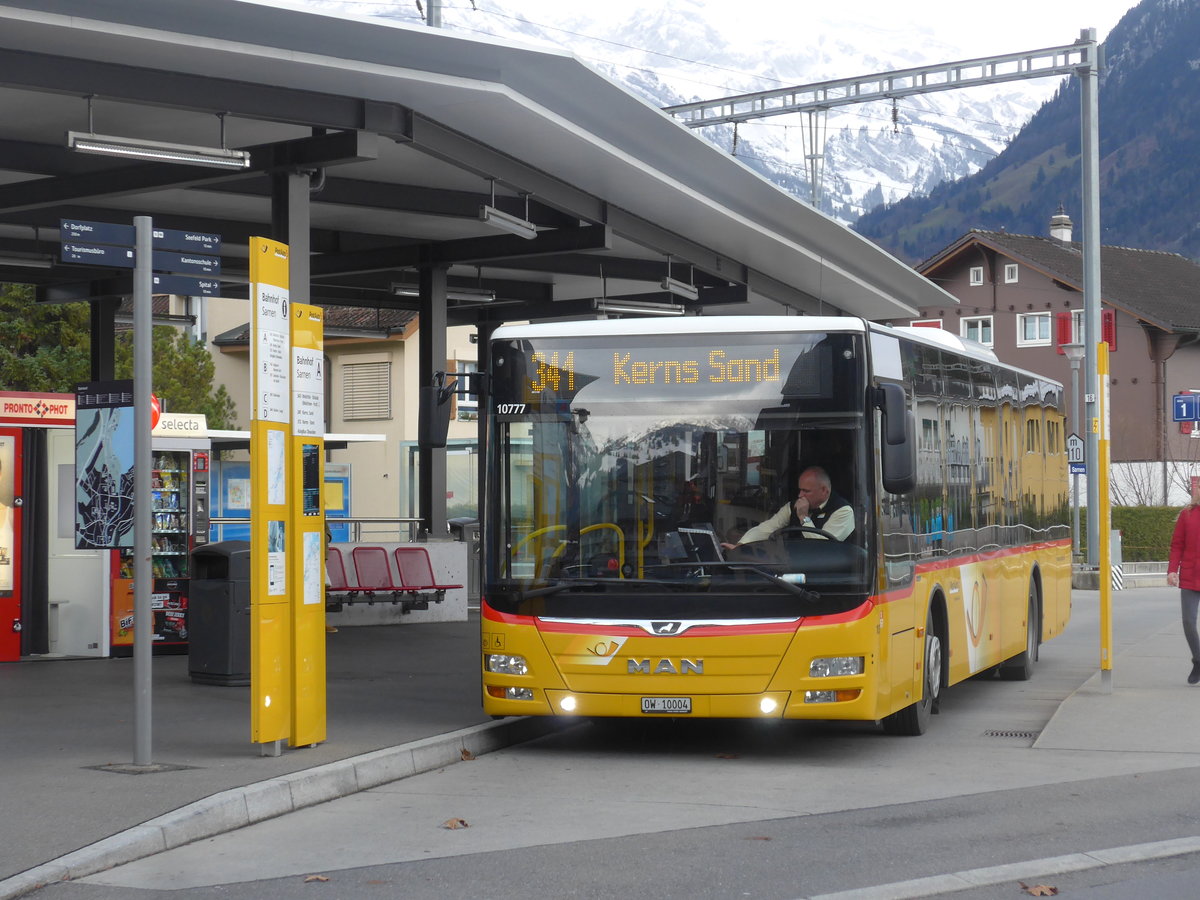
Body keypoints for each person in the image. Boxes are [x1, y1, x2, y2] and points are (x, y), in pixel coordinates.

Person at [722, 466, 854, 549]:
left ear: (824, 490)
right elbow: (768, 528)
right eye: (800, 490)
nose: (800, 495)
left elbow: (823, 547)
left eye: (806, 491)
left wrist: (804, 518)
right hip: (793, 565)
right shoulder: (792, 506)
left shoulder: (843, 511)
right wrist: (740, 546)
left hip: (826, 573)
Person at [1166, 484, 1200, 684]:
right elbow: (1177, 544)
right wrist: (1172, 570)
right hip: (1189, 576)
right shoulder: (1187, 515)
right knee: (1188, 621)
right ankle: (1198, 659)